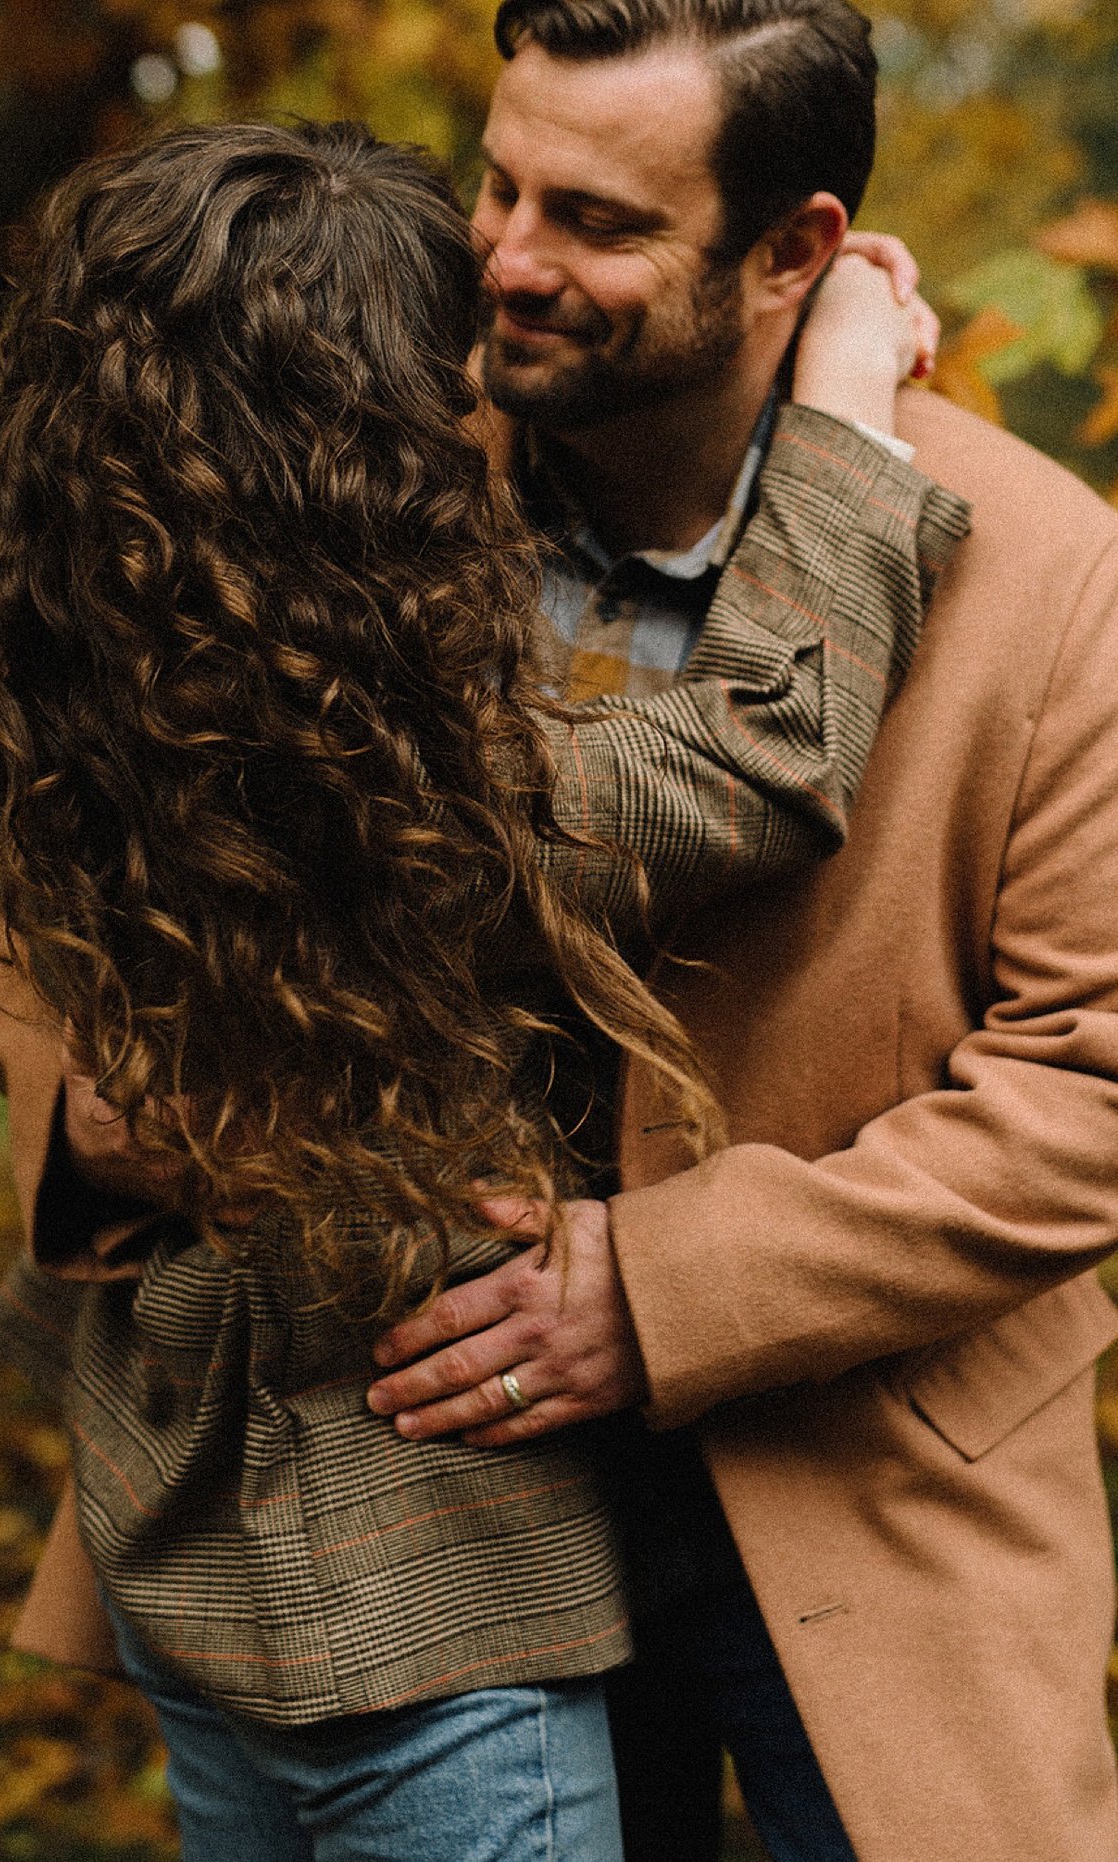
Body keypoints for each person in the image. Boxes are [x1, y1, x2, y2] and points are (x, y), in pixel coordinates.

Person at [0, 119, 955, 1859]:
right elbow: (766, 742)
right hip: (428, 1607)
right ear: (367, 464)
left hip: (186, 1550)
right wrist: (848, 399)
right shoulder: (410, 806)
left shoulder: (82, 704)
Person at [348, 2, 1118, 1854]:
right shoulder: (357, 491)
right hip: (436, 1464)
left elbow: (1094, 1086)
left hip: (878, 1467)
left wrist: (668, 1289)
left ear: (797, 253)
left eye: (599, 223)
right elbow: (118, 869)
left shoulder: (1051, 565)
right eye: (499, 184)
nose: (510, 262)